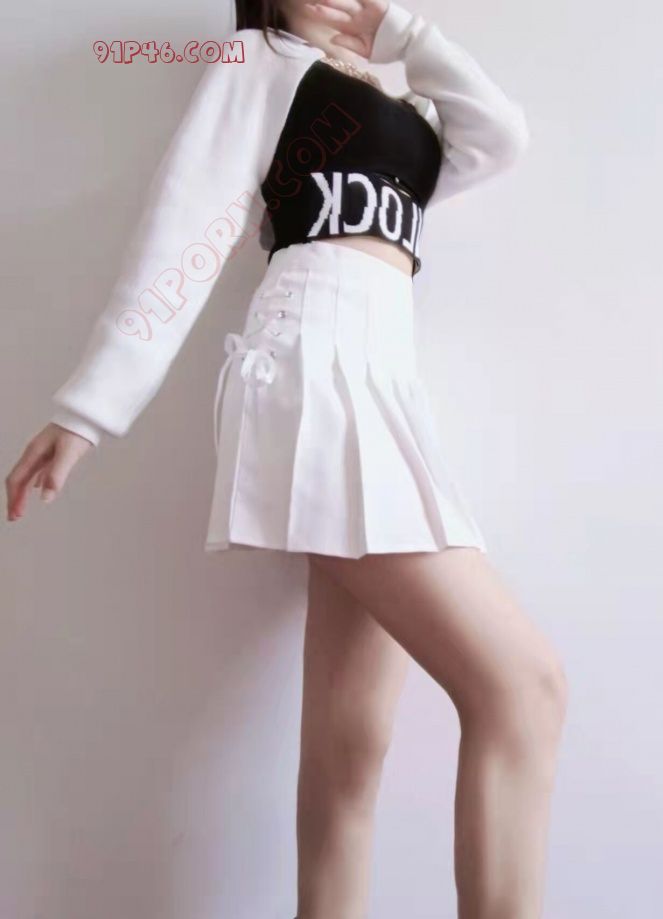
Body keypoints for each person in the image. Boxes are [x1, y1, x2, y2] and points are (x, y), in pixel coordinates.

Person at [5, 1, 568, 917]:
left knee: (352, 745)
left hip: (384, 384)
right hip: (312, 368)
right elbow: (184, 237)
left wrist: (404, 38)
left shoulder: (397, 99)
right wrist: (88, 411)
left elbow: (497, 137)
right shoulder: (258, 63)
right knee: (523, 687)